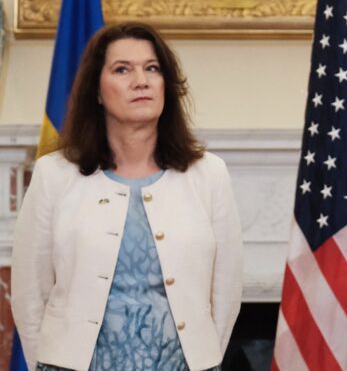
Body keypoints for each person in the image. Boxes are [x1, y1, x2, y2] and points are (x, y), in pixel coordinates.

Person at [11, 22, 243, 371]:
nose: (141, 81)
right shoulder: (53, 175)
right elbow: (30, 294)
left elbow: (225, 292)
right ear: (98, 92)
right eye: (123, 69)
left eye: (152, 69)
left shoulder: (209, 174)